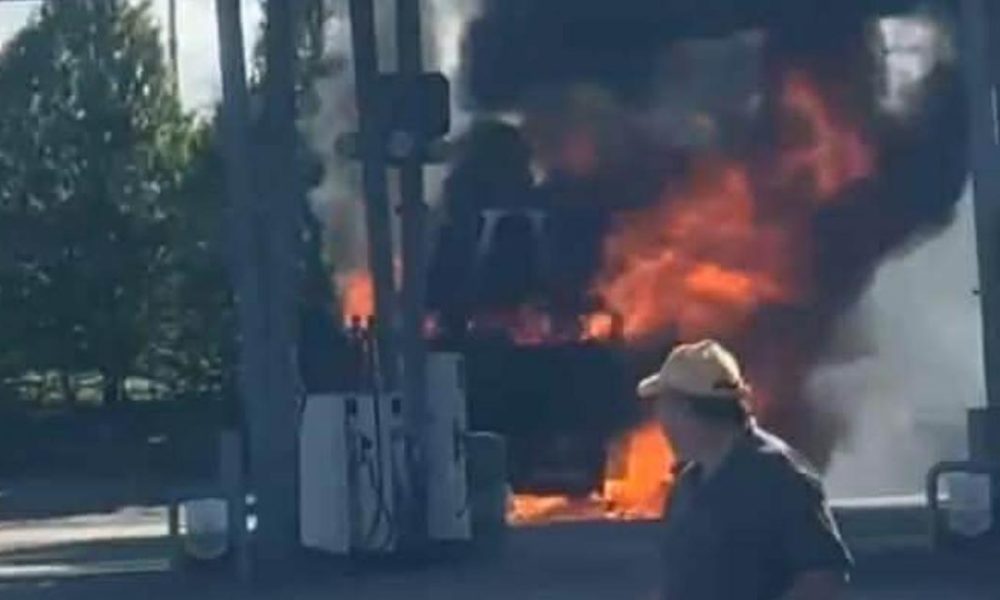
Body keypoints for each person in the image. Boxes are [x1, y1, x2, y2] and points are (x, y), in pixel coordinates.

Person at [637, 340, 851, 600]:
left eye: (668, 408)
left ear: (691, 410)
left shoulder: (778, 478)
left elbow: (823, 578)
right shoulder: (687, 487)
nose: (663, 422)